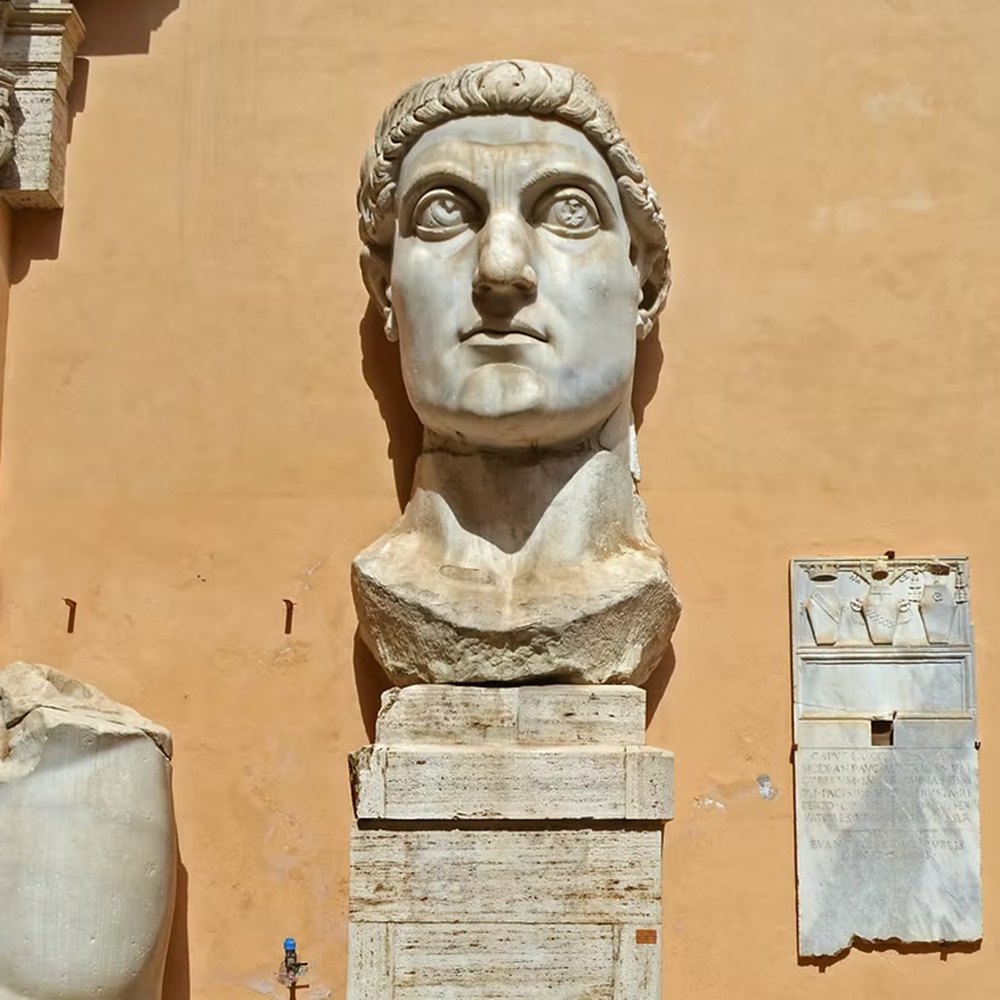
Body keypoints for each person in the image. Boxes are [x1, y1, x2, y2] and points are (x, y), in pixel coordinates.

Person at [353, 60, 680, 686]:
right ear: (385, 291)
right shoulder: (388, 579)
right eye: (444, 212)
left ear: (645, 286)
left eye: (568, 211)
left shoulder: (630, 585)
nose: (500, 271)